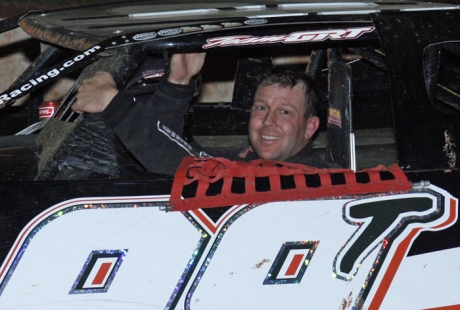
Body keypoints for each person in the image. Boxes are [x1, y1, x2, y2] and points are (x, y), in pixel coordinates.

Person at [72, 53, 331, 175]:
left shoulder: (306, 177)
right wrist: (177, 84)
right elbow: (180, 151)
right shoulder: (248, 158)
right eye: (261, 108)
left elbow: (184, 166)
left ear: (310, 127)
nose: (268, 121)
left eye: (285, 112)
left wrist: (114, 104)